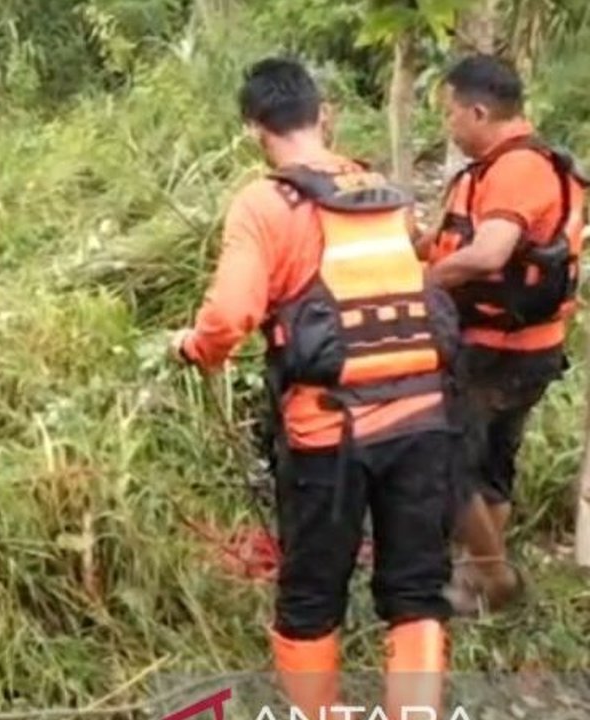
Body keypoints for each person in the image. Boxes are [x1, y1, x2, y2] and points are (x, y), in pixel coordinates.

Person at [169, 58, 459, 718]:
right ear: (321, 112)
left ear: (253, 126)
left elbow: (229, 315)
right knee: (415, 591)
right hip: (422, 417)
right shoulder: (378, 187)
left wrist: (195, 349)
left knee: (310, 596)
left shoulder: (264, 203)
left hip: (329, 433)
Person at [419, 54, 587, 613]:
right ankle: (475, 582)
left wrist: (423, 282)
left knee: (449, 461)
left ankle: (494, 578)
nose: (449, 125)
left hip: (498, 349)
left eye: (451, 115)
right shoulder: (526, 164)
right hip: (530, 346)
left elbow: (490, 252)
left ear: (479, 110)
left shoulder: (516, 170)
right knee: (492, 461)